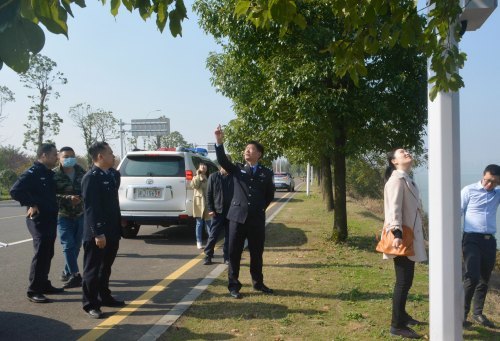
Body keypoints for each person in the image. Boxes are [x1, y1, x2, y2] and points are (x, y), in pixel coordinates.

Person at [214, 125, 274, 299]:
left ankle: (258, 282)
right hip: (236, 218)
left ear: (259, 154)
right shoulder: (238, 169)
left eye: (251, 149)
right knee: (234, 253)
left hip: (256, 219)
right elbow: (223, 161)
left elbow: (269, 195)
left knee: (256, 253)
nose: (247, 151)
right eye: (246, 149)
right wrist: (219, 142)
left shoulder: (266, 173)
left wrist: (259, 208)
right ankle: (234, 285)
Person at [10, 143, 64, 303]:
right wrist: (32, 203)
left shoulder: (48, 173)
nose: (57, 157)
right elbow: (15, 190)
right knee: (41, 252)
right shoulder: (32, 173)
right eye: (55, 155)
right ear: (44, 156)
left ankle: (44, 284)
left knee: (48, 252)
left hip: (50, 218)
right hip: (38, 219)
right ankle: (33, 290)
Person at [383, 148, 427, 339]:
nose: (407, 153)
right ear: (394, 161)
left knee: (406, 280)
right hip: (401, 236)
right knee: (402, 282)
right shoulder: (396, 180)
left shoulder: (406, 179)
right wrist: (397, 232)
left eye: (407, 151)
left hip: (409, 236)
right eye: (402, 152)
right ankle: (397, 325)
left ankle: (402, 316)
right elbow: (393, 208)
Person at [81, 142, 125, 319]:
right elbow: (91, 208)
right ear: (100, 156)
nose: (113, 156)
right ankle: (90, 303)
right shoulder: (90, 177)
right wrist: (97, 233)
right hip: (97, 232)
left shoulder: (114, 174)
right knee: (92, 269)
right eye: (110, 153)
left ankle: (104, 296)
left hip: (112, 229)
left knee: (105, 267)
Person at [461, 164, 500, 328]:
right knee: (472, 276)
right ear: (483, 175)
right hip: (471, 239)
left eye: (494, 182)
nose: (489, 185)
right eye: (487, 180)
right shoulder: (468, 190)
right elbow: (456, 211)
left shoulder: (497, 193)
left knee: (484, 278)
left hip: (489, 241)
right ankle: (461, 315)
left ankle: (478, 313)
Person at [54, 146, 86, 288]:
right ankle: (75, 274)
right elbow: (50, 195)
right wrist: (67, 198)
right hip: (63, 215)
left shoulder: (81, 172)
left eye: (72, 156)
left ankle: (67, 271)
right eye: (65, 156)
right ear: (59, 158)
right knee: (68, 245)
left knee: (77, 246)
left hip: (80, 214)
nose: (69, 159)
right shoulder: (53, 175)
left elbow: (88, 190)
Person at [203, 156, 234, 265]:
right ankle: (208, 256)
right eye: (224, 163)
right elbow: (209, 194)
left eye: (228, 163)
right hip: (217, 211)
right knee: (213, 235)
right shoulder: (213, 176)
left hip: (231, 212)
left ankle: (227, 257)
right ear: (220, 164)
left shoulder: (234, 177)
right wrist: (211, 209)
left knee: (229, 237)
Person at [190, 162, 211, 249]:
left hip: (207, 202)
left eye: (205, 165)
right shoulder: (195, 177)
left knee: (209, 223)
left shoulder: (209, 177)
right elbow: (194, 185)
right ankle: (199, 241)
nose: (203, 167)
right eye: (201, 165)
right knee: (199, 223)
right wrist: (198, 175)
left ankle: (210, 241)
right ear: (198, 168)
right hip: (199, 202)